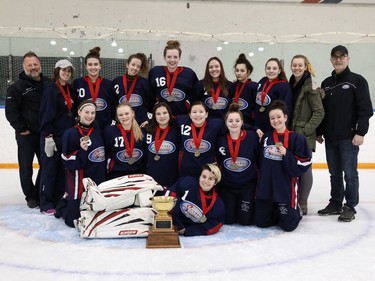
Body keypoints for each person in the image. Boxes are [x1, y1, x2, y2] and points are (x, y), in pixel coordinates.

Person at [316, 45, 373, 222]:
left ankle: (350, 206)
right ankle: (335, 203)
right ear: (331, 60)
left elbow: (365, 109)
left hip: (349, 138)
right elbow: (322, 110)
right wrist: (319, 131)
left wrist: (360, 132)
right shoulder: (326, 83)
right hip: (330, 138)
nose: (338, 59)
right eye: (335, 57)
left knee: (349, 173)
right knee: (334, 173)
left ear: (348, 59)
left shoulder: (358, 81)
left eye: (342, 56)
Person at [255, 100, 312, 232]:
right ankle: (274, 209)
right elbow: (259, 161)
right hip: (267, 189)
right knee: (261, 222)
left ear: (285, 117)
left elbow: (304, 162)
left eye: (278, 117)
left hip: (285, 190)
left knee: (288, 225)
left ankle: (294, 209)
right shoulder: (266, 138)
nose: (276, 121)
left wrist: (287, 154)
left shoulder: (297, 139)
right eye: (272, 118)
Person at [5, 51, 49, 209]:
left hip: (44, 133)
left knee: (45, 164)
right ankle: (30, 196)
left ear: (40, 65)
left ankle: (38, 192)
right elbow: (11, 112)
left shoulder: (48, 83)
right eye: (29, 65)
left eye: (35, 64)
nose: (33, 67)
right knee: (26, 166)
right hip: (26, 135)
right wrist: (22, 129)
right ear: (24, 67)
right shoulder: (16, 87)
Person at [58, 100, 106, 227]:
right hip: (79, 182)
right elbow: (66, 160)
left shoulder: (97, 131)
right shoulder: (71, 133)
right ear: (79, 112)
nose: (90, 116)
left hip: (97, 179)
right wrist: (81, 152)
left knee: (98, 216)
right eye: (86, 112)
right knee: (73, 221)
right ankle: (63, 205)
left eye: (93, 113)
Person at [39, 59, 76, 215]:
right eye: (63, 70)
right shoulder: (51, 90)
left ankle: (56, 199)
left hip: (65, 137)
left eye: (68, 71)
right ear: (57, 71)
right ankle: (46, 202)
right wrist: (48, 136)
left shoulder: (69, 89)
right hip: (52, 137)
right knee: (49, 170)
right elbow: (45, 114)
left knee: (62, 170)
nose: (66, 73)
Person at [289, 55, 325, 215]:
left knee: (305, 169)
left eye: (300, 65)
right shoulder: (292, 83)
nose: (296, 68)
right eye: (294, 65)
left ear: (306, 67)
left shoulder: (311, 86)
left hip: (303, 135)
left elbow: (319, 112)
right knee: (295, 168)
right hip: (291, 133)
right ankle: (295, 199)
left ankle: (303, 203)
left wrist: (305, 131)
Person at [216, 103, 259, 225]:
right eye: (230, 121)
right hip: (228, 186)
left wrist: (256, 128)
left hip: (246, 185)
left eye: (237, 120)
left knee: (245, 221)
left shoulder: (252, 137)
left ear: (242, 122)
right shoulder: (220, 140)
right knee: (228, 220)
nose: (234, 123)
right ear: (226, 123)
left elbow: (258, 159)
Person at [166, 163, 225, 236]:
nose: (206, 181)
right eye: (204, 177)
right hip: (171, 220)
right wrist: (177, 223)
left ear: (215, 182)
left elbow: (216, 224)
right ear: (199, 176)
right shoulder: (187, 183)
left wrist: (188, 230)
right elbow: (170, 195)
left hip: (186, 229)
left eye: (210, 179)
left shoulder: (218, 204)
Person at [148, 40, 198, 116]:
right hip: (161, 117)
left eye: (175, 57)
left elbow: (195, 96)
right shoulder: (155, 72)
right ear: (164, 58)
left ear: (179, 58)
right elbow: (150, 94)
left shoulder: (189, 74)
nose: (172, 60)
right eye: (169, 57)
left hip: (182, 116)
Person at [176, 101, 224, 178]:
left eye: (201, 112)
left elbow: (233, 124)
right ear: (190, 115)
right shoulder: (181, 121)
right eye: (194, 112)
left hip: (208, 171)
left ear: (206, 114)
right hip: (187, 170)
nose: (198, 115)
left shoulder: (216, 124)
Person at [72, 47, 113, 131]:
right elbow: (74, 106)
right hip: (83, 127)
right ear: (86, 66)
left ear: (100, 66)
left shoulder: (108, 84)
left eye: (95, 64)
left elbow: (112, 106)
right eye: (90, 64)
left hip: (104, 127)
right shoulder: (77, 83)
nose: (93, 67)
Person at [104, 102, 146, 180]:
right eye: (120, 115)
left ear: (132, 113)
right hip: (117, 175)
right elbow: (106, 151)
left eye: (127, 113)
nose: (124, 117)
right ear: (117, 117)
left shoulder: (142, 132)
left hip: (138, 174)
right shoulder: (110, 131)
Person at [112, 53, 153, 126]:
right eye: (133, 65)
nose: (135, 68)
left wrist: (148, 120)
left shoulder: (144, 83)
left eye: (138, 66)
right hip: (122, 124)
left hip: (140, 124)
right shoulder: (116, 82)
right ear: (127, 65)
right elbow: (113, 103)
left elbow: (150, 104)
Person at [145, 102, 180, 189]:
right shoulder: (147, 130)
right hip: (151, 175)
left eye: (165, 113)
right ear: (154, 116)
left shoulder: (176, 131)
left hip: (171, 175)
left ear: (170, 114)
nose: (162, 116)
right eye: (158, 114)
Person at [254, 58, 292, 136]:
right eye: (268, 68)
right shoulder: (263, 81)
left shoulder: (284, 86)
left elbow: (286, 109)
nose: (271, 71)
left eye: (274, 68)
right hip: (258, 127)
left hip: (273, 128)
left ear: (279, 70)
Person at [228, 53, 258, 127]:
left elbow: (256, 109)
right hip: (233, 123)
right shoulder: (232, 86)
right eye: (237, 70)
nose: (239, 73)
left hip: (248, 124)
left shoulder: (254, 86)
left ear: (248, 72)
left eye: (242, 71)